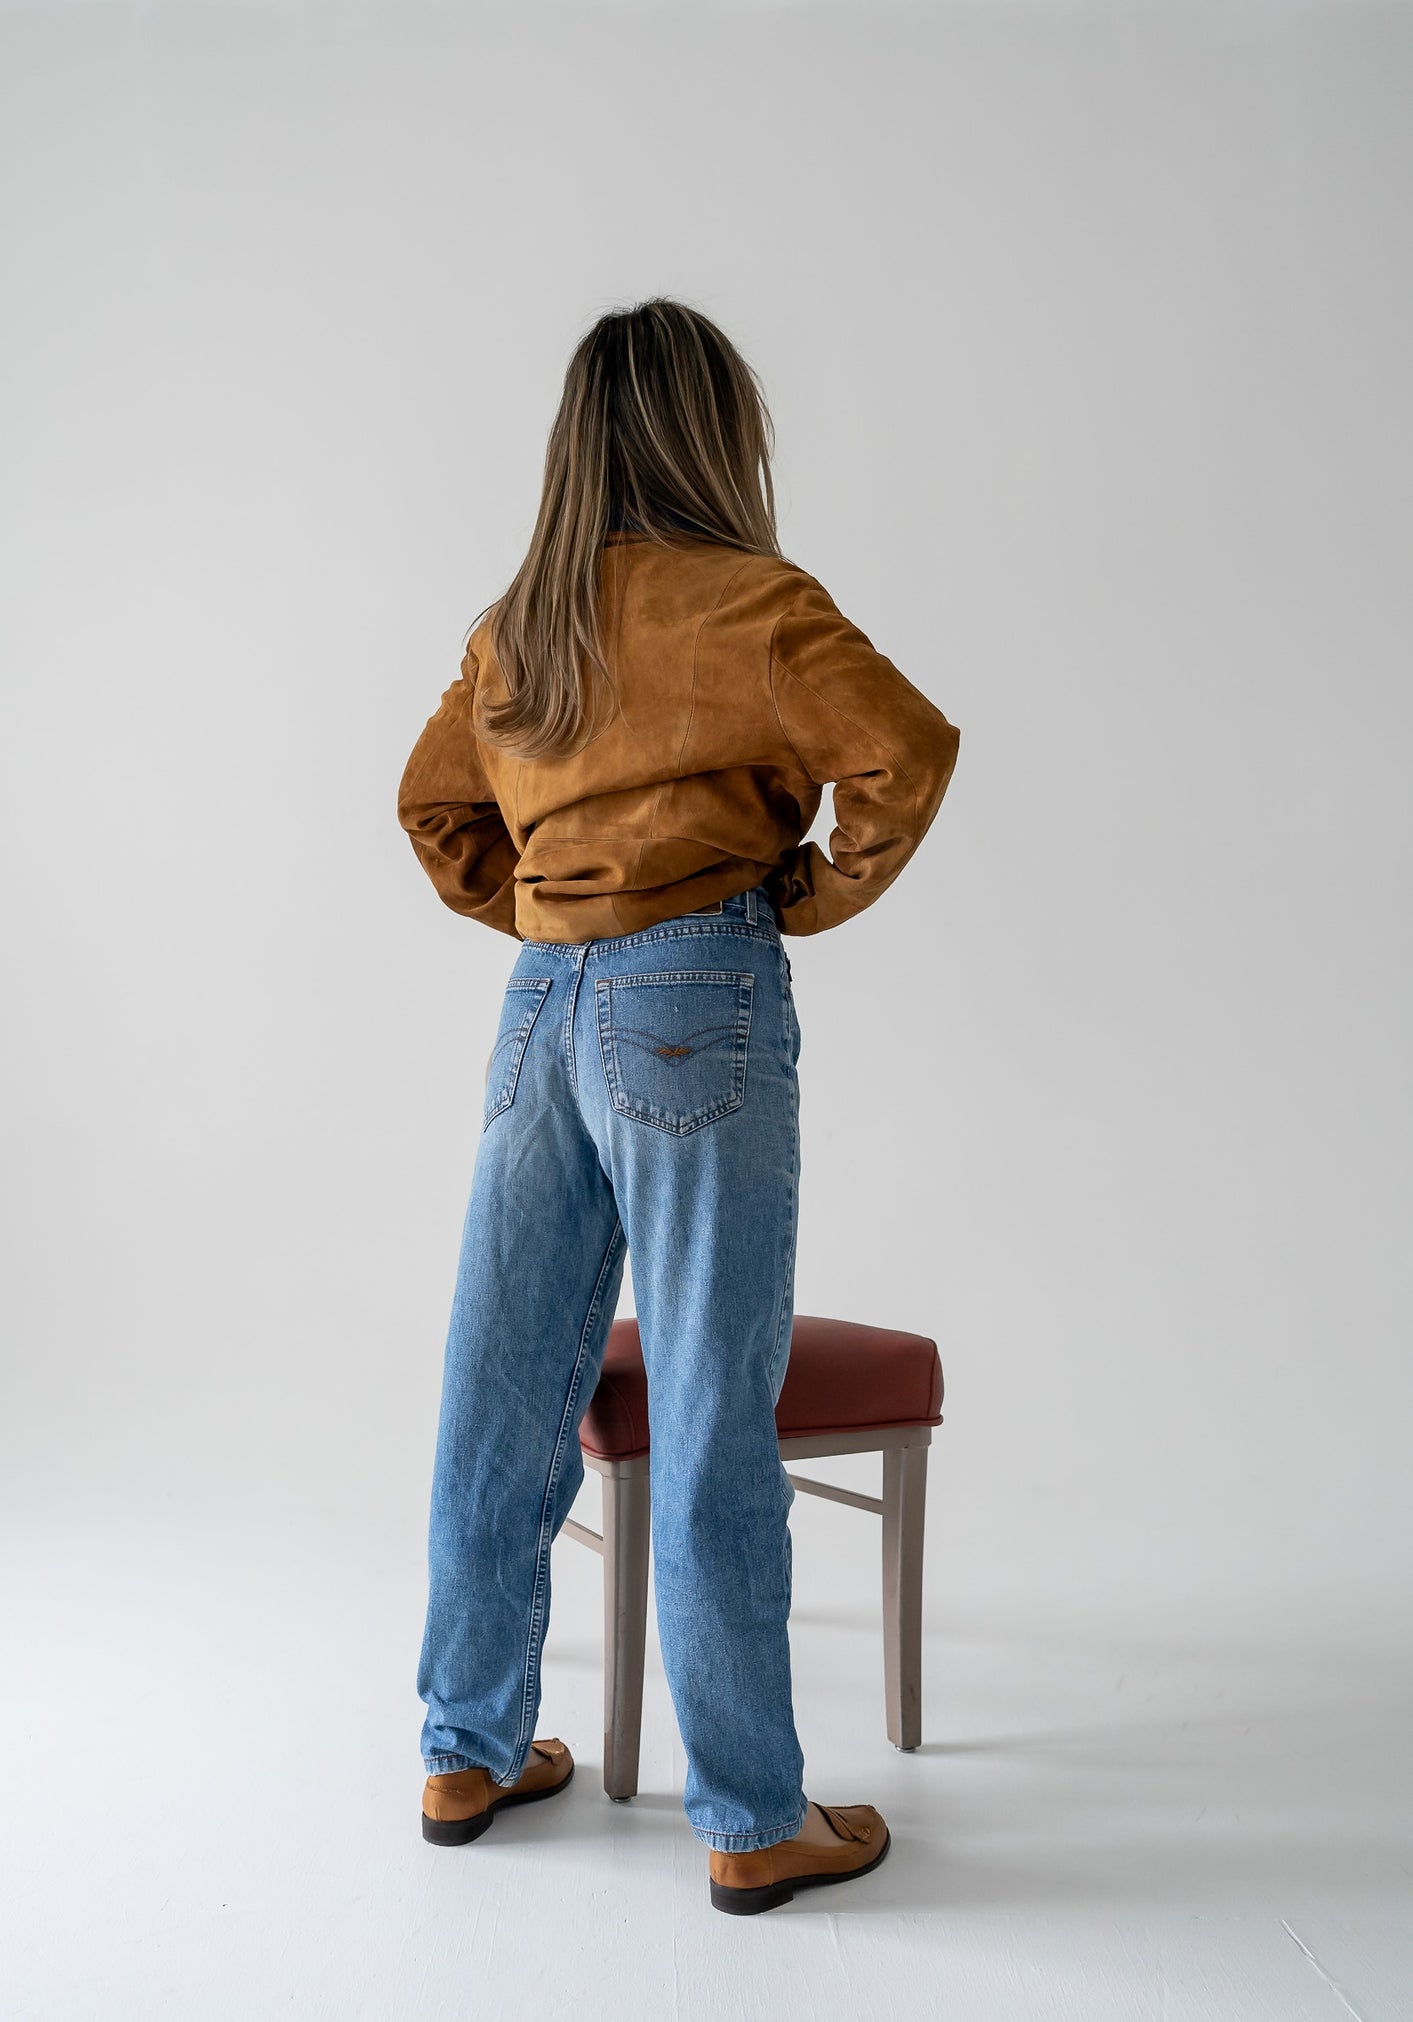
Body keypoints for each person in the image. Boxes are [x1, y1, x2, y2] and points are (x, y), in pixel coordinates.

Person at [396, 298, 960, 1915]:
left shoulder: (526, 623)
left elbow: (433, 802)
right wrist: (803, 892)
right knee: (714, 1403)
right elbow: (904, 751)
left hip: (539, 1011)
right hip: (693, 997)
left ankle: (466, 1742)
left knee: (498, 1388)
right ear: (717, 433)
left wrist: (547, 903)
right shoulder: (753, 605)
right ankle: (748, 1812)